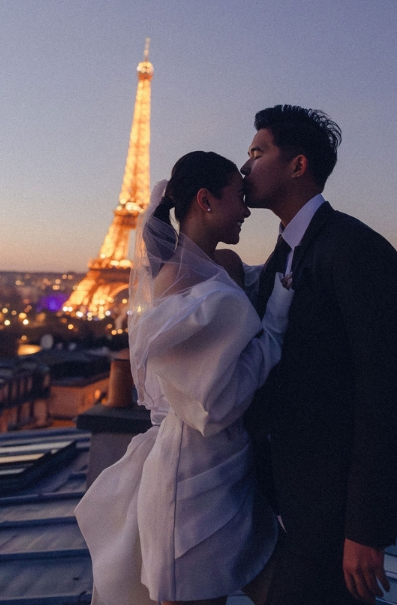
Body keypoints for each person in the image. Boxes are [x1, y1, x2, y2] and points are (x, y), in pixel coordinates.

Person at [76, 151, 294, 605]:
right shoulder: (176, 284)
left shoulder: (228, 267)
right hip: (191, 471)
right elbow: (217, 404)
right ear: (205, 200)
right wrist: (274, 324)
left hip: (226, 462)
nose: (247, 208)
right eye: (238, 196)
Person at [241, 105, 397, 605]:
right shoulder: (285, 253)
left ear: (298, 166)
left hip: (334, 511)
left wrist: (364, 530)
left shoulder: (356, 249)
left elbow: (383, 393)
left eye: (258, 153)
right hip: (288, 498)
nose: (245, 167)